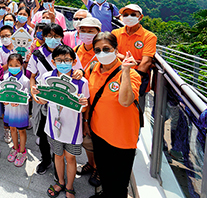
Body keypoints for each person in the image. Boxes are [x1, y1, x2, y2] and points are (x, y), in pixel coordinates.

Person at [85, 32, 141, 198]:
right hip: (98, 131)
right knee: (103, 171)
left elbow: (125, 101)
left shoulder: (131, 74)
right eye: (98, 50)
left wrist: (124, 71)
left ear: (116, 49)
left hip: (121, 139)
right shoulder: (93, 69)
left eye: (106, 49)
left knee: (119, 182)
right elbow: (89, 99)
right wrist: (86, 121)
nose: (102, 53)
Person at [32, 45, 89, 198]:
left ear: (74, 61)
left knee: (70, 158)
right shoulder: (46, 77)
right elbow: (43, 101)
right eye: (59, 60)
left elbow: (83, 109)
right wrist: (36, 95)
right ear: (53, 61)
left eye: (67, 60)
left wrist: (83, 105)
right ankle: (60, 182)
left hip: (73, 128)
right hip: (53, 126)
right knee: (58, 155)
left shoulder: (81, 82)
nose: (63, 63)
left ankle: (70, 186)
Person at [73, 17, 102, 187]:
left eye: (91, 31)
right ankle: (91, 164)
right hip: (80, 101)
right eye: (83, 30)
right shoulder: (76, 50)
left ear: (98, 32)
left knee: (95, 135)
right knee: (85, 137)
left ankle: (99, 168)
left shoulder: (102, 53)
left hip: (97, 102)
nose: (86, 34)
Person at [112, 4, 157, 110]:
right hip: (116, 77)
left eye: (133, 14)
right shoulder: (115, 33)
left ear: (140, 17)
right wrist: (135, 61)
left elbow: (146, 62)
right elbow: (113, 54)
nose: (129, 17)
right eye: (126, 15)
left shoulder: (149, 36)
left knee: (136, 111)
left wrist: (134, 80)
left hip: (138, 80)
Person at [4, 53, 30, 167]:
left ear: (22, 65)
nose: (13, 67)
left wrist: (19, 101)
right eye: (10, 65)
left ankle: (22, 151)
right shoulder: (5, 78)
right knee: (12, 129)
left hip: (21, 111)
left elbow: (29, 98)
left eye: (16, 64)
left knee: (21, 131)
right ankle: (15, 147)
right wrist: (4, 100)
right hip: (9, 110)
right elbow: (3, 93)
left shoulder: (25, 80)